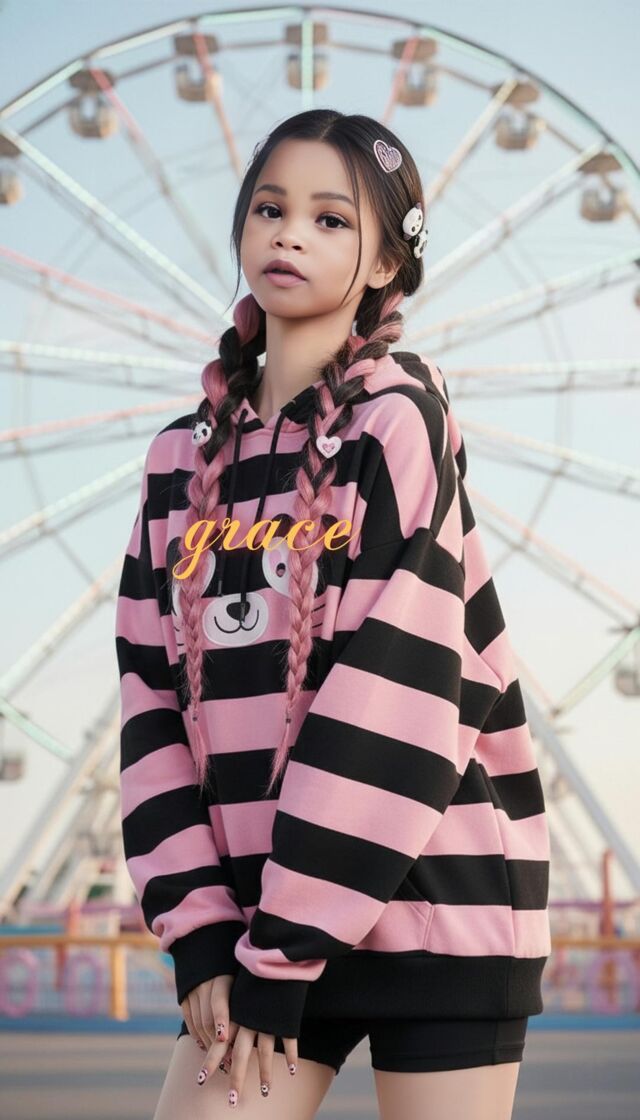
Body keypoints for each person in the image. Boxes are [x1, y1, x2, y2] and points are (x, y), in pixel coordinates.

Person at [115, 109, 551, 1120]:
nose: (291, 235)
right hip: (257, 926)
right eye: (271, 209)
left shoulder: (399, 426)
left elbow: (398, 691)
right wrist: (202, 931)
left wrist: (284, 944)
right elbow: (150, 706)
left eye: (331, 219)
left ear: (387, 264)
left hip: (437, 911)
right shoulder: (177, 461)